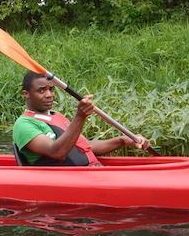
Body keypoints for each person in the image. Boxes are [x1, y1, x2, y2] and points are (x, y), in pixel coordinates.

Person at [13, 71, 150, 166]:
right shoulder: (24, 124)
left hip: (92, 171)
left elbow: (85, 147)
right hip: (68, 179)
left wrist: (122, 140)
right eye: (41, 90)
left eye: (51, 89)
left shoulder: (56, 116)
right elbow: (56, 152)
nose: (49, 94)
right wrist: (80, 116)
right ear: (26, 94)